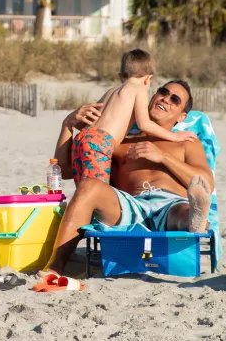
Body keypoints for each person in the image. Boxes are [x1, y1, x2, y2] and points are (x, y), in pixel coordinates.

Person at [43, 80, 214, 278]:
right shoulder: (120, 140)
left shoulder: (186, 143)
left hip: (169, 204)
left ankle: (196, 218)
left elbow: (206, 184)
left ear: (182, 116)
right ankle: (54, 268)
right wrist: (68, 126)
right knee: (88, 186)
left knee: (183, 211)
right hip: (129, 205)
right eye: (163, 92)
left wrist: (163, 157)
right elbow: (64, 171)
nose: (165, 98)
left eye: (174, 99)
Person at [72, 49, 196, 185]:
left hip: (82, 138)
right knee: (96, 190)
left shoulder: (112, 91)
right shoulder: (139, 89)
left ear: (121, 76)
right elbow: (144, 124)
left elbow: (93, 115)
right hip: (101, 142)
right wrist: (174, 136)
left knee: (83, 189)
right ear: (148, 79)